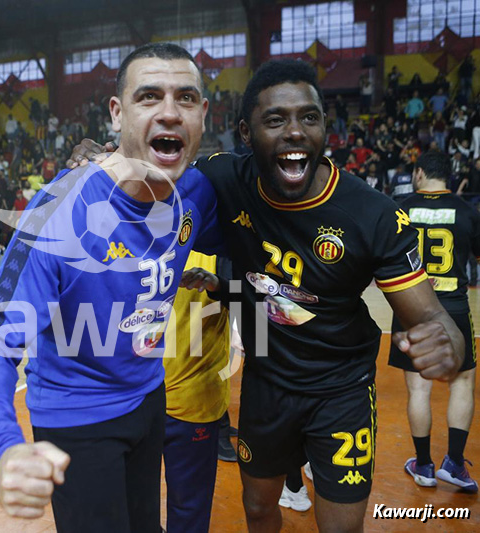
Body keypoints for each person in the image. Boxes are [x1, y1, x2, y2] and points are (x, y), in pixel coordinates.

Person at [72, 58, 463, 533]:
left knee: (340, 527)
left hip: (340, 389)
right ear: (246, 132)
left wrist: (446, 344)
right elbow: (148, 173)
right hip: (266, 384)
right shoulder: (223, 180)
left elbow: (436, 320)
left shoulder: (372, 214)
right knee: (257, 509)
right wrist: (99, 157)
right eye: (276, 120)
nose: (295, 131)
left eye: (309, 117)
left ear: (324, 126)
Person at [0, 43, 225, 533]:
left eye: (186, 98)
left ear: (203, 114)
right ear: (117, 113)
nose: (170, 112)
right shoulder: (59, 211)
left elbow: (241, 237)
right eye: (149, 96)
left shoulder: (193, 194)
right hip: (76, 414)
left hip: (149, 395)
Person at [389, 151, 478, 493]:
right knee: (462, 383)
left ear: (419, 173)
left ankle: (423, 465)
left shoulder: (401, 209)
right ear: (449, 176)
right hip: (453, 306)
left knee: (419, 389)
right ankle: (454, 463)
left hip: (411, 306)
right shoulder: (467, 211)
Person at [162, 251, 230, 533]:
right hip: (131, 398)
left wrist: (218, 285)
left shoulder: (220, 243)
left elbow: (253, 302)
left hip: (193, 399)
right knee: (132, 503)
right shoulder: (127, 237)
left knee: (188, 506)